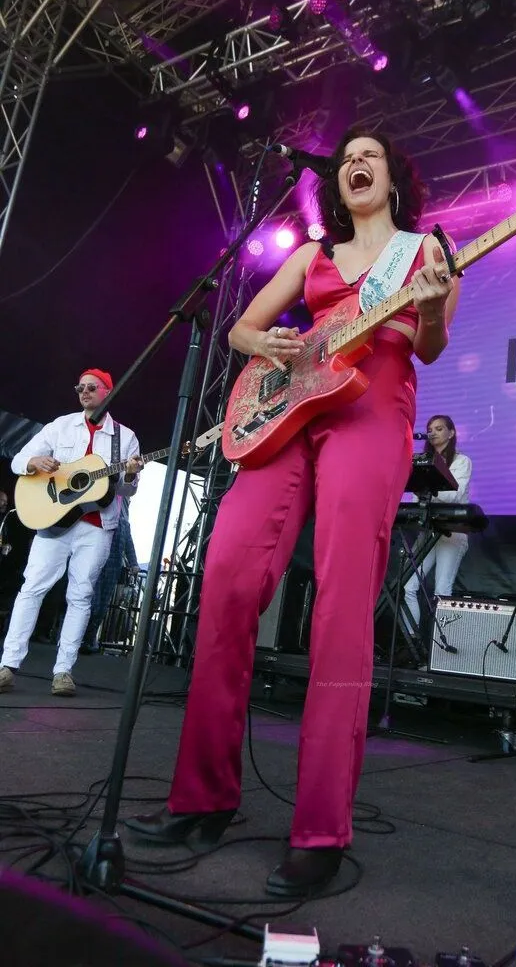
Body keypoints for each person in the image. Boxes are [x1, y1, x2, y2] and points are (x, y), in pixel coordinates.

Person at [125, 128, 460, 896]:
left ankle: (319, 830)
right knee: (226, 581)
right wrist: (270, 345)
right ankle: (202, 798)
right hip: (290, 409)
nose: (355, 163)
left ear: (394, 179)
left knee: (341, 609)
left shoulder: (426, 252)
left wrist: (433, 310)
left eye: (370, 155)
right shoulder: (311, 256)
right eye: (346, 159)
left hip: (372, 408)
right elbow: (240, 329)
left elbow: (431, 347)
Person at [0, 370, 143, 696]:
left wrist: (130, 475)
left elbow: (127, 490)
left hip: (97, 527)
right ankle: (7, 665)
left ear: (108, 392)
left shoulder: (125, 438)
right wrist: (35, 462)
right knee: (32, 588)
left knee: (80, 595)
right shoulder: (60, 426)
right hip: (53, 520)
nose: (84, 391)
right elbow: (18, 461)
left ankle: (63, 672)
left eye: (91, 387)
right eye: (80, 387)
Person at [403, 415, 473, 646]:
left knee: (442, 590)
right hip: (428, 530)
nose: (433, 433)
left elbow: (454, 495)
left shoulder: (461, 461)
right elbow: (416, 500)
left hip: (451, 532)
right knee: (407, 586)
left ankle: (441, 649)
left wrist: (427, 490)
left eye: (439, 428)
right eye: (430, 429)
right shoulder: (423, 462)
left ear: (451, 433)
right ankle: (412, 642)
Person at [81, 497, 139, 653]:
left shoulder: (124, 524)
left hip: (113, 567)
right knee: (93, 603)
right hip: (96, 563)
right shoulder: (100, 516)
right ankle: (79, 637)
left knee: (102, 607)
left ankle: (89, 639)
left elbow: (129, 544)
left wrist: (133, 563)